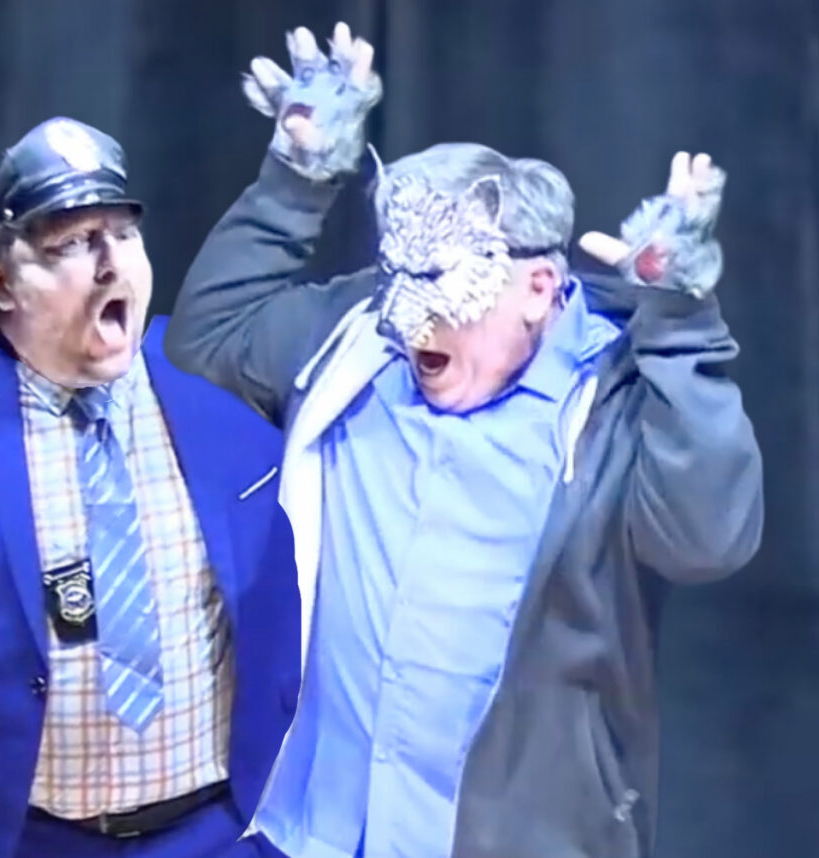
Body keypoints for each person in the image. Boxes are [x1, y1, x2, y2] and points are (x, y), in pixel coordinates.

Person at [164, 23, 764, 858]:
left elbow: (709, 540)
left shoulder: (616, 401)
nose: (408, 315)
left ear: (538, 287)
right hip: (315, 834)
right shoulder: (359, 340)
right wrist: (296, 180)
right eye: (398, 273)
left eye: (442, 279)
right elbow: (209, 336)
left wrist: (682, 326)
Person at [0, 117, 300, 858]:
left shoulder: (215, 374)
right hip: (22, 836)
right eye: (70, 244)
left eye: (122, 235)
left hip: (217, 830)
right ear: (0, 283)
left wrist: (299, 170)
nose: (110, 265)